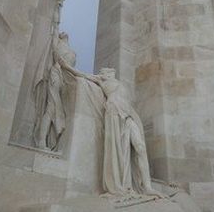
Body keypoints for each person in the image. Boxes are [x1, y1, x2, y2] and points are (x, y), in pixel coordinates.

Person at [61, 65, 163, 198]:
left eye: (109, 70)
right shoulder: (101, 79)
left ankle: (147, 187)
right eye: (105, 70)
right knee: (118, 148)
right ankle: (119, 184)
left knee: (140, 147)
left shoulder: (117, 81)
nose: (108, 70)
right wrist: (64, 65)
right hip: (114, 112)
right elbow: (80, 73)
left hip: (128, 113)